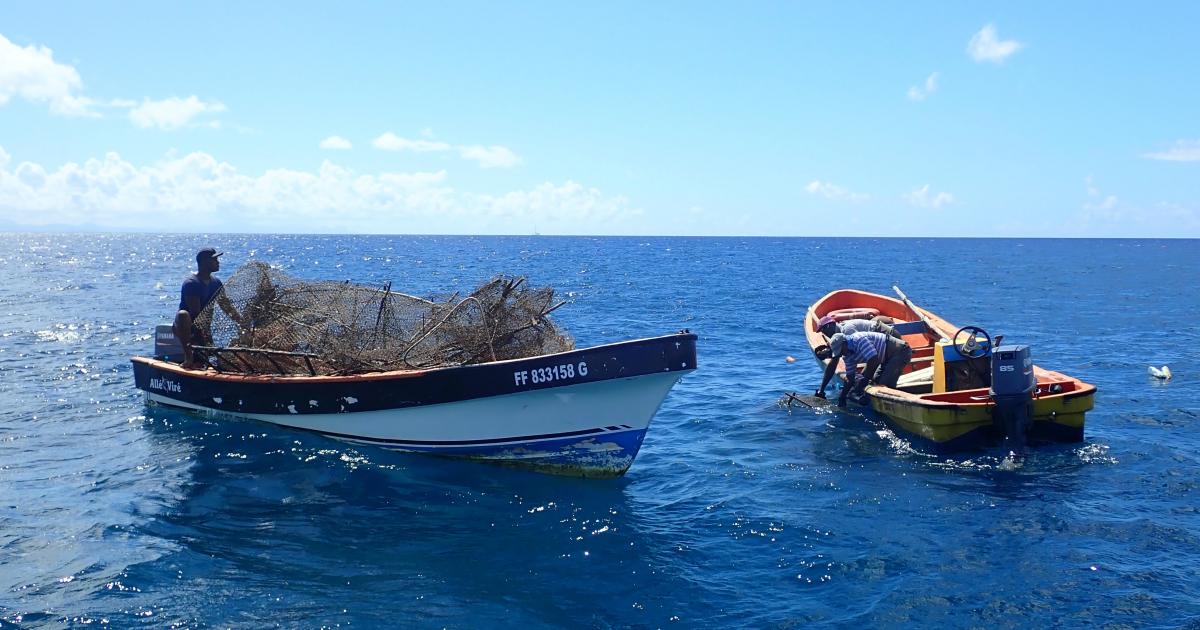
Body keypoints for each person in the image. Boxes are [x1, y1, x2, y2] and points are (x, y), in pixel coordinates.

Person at [173, 248, 239, 369]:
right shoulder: (192, 283)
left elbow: (226, 305)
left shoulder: (216, 282)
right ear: (204, 262)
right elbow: (196, 314)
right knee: (183, 314)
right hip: (188, 327)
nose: (218, 262)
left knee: (216, 361)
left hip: (204, 327)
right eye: (214, 259)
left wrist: (240, 321)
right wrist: (205, 339)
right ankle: (188, 357)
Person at [813, 315, 902, 399]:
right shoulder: (839, 338)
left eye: (824, 331)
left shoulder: (848, 331)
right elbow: (836, 360)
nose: (825, 334)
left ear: (829, 326)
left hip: (889, 336)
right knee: (863, 377)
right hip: (875, 346)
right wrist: (822, 389)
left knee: (868, 377)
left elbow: (867, 356)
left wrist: (863, 381)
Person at [828, 331, 913, 407]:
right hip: (884, 359)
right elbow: (850, 378)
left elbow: (873, 360)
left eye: (841, 350)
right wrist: (843, 396)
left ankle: (898, 406)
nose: (842, 353)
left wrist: (865, 380)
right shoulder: (847, 355)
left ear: (844, 343)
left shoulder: (858, 340)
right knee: (874, 383)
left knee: (883, 387)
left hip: (901, 351)